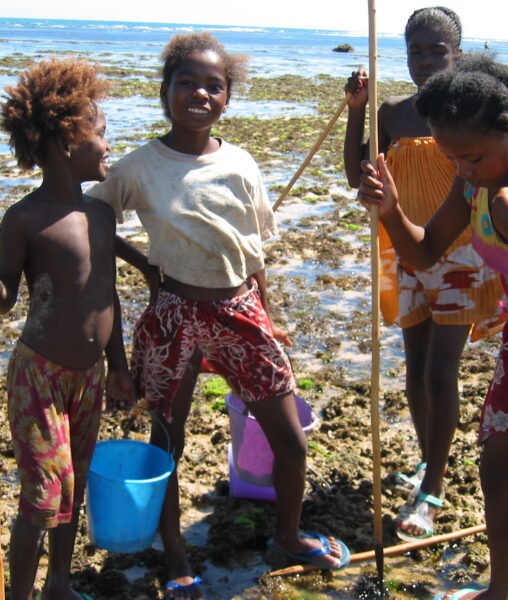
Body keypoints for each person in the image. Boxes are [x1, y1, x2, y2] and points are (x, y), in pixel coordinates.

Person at [85, 32, 350, 599]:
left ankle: (288, 534)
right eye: (187, 83)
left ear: (228, 97)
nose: (200, 94)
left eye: (214, 86)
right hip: (174, 314)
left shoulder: (241, 163)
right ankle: (175, 554)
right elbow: (92, 219)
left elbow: (253, 255)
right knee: (167, 441)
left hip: (240, 311)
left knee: (292, 441)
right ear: (165, 91)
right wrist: (144, 265)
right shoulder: (140, 165)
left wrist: (270, 317)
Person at [358, 53, 508, 600]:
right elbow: (423, 254)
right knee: (495, 476)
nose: (463, 171)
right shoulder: (473, 185)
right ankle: (500, 593)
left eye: (472, 158)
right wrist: (392, 210)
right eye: (453, 159)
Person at [343, 7, 503, 541]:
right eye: (417, 51)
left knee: (441, 372)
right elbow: (357, 175)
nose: (427, 60)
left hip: (460, 256)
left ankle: (432, 488)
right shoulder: (393, 112)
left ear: (457, 54)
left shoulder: (469, 112)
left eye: (438, 51)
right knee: (414, 371)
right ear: (404, 53)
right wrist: (357, 112)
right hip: (405, 249)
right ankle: (428, 459)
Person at [0, 58, 135, 600]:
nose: (108, 145)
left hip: (91, 376)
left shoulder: (101, 215)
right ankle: (21, 594)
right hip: (40, 378)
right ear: (63, 142)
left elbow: (109, 298)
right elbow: (7, 289)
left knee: (71, 491)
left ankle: (58, 584)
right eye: (100, 135)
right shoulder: (24, 219)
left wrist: (121, 367)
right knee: (41, 497)